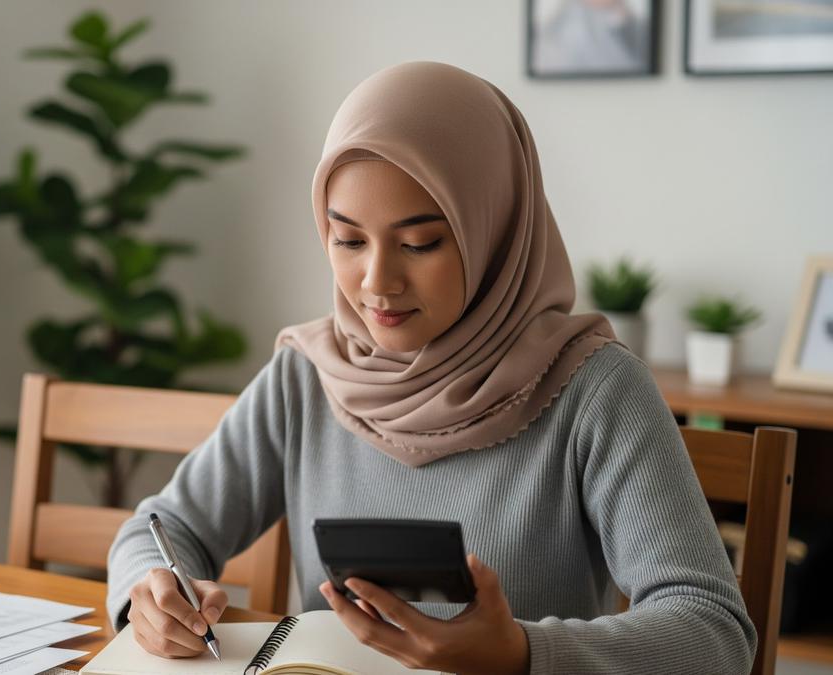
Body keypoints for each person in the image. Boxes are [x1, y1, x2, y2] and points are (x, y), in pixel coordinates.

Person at [104, 61, 755, 674]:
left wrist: (522, 654)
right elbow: (163, 528)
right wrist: (151, 597)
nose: (376, 281)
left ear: (494, 229)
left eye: (420, 243)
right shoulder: (307, 375)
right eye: (348, 239)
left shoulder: (595, 389)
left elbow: (714, 631)